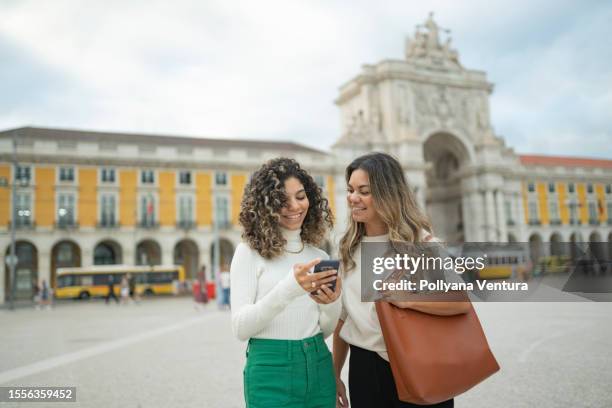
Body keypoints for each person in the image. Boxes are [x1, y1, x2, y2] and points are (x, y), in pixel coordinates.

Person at [333, 152, 470, 408]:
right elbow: (344, 317)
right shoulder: (348, 249)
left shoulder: (422, 243)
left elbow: (460, 301)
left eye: (364, 191)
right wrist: (335, 374)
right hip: (364, 370)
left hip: (419, 363)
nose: (353, 198)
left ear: (387, 194)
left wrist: (408, 299)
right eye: (350, 190)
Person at [231, 157, 342, 408]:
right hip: (270, 367)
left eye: (301, 196)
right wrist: (288, 289)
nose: (294, 206)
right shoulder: (248, 253)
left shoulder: (320, 256)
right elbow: (240, 328)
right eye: (282, 200)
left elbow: (325, 330)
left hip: (318, 363)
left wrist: (332, 303)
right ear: (266, 206)